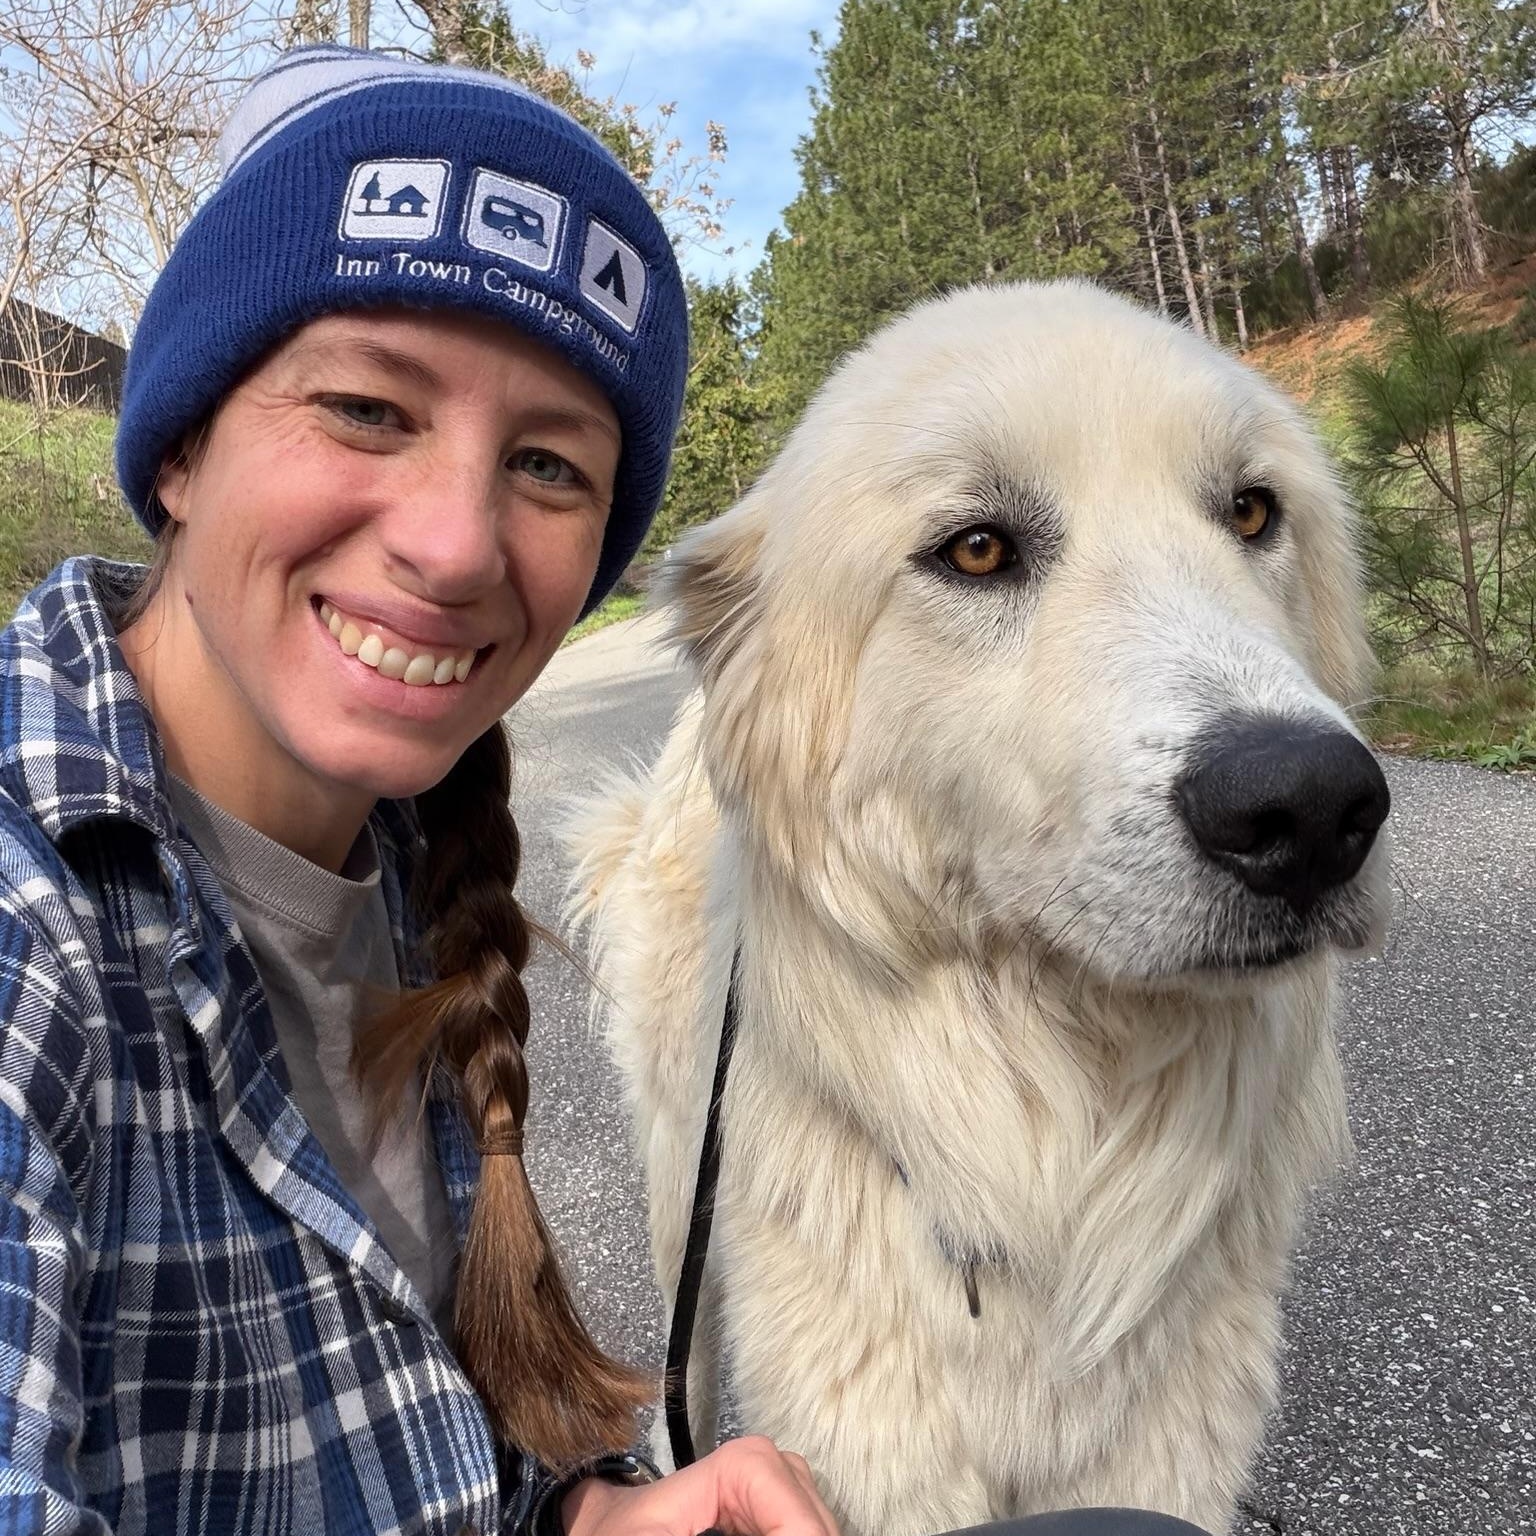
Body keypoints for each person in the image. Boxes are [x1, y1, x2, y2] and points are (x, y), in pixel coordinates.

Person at [0, 42, 1213, 1536]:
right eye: (370, 410)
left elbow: (383, 1432)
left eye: (550, 466)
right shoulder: (29, 922)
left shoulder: (397, 871)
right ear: (180, 445)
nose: (455, 544)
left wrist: (581, 1518)